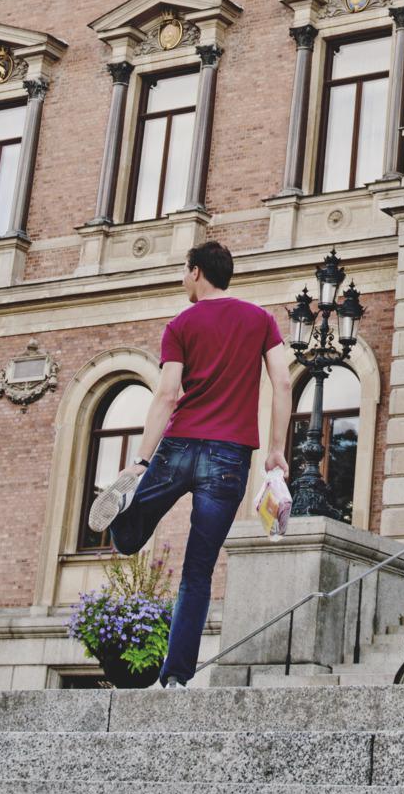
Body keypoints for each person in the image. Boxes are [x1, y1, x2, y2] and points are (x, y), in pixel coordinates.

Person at [89, 240, 290, 688]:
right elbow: (282, 381)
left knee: (129, 537)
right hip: (230, 456)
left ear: (197, 272)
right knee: (196, 572)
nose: (183, 278)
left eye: (184, 270)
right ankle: (176, 677)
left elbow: (166, 394)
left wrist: (142, 459)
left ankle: (127, 518)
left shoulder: (180, 324)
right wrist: (276, 449)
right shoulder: (260, 320)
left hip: (179, 445)